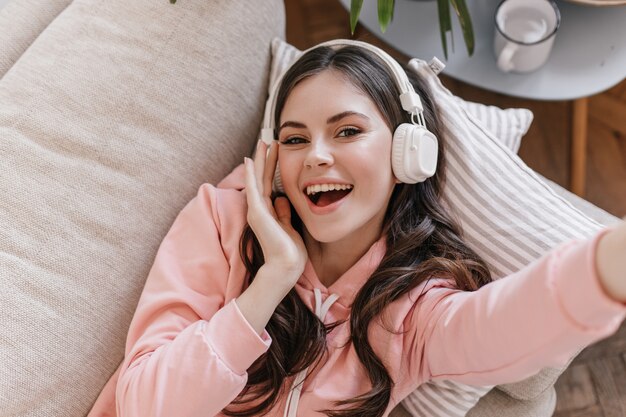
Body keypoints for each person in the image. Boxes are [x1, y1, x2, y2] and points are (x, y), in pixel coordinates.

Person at [88, 40, 626, 417]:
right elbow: (143, 405)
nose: (316, 156)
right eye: (296, 140)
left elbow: (500, 327)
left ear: (405, 154)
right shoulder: (221, 222)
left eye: (347, 131)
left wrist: (603, 268)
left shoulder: (413, 309)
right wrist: (271, 281)